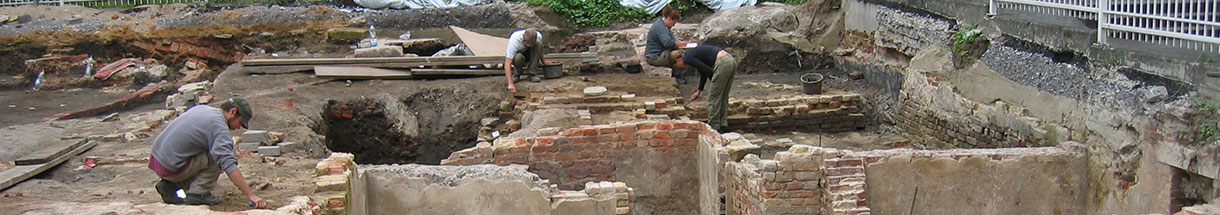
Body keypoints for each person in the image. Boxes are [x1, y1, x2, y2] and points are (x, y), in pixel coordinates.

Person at [148, 97, 267, 208]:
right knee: (220, 155)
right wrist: (251, 195)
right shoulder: (219, 126)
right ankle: (198, 194)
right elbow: (227, 163)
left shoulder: (203, 109)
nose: (238, 128)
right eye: (240, 123)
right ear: (233, 111)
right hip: (172, 167)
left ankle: (170, 186)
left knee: (213, 148)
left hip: (157, 161)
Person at [672, 45, 737, 131]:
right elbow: (703, 72)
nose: (678, 66)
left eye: (676, 64)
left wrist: (714, 81)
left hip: (722, 63)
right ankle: (723, 125)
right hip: (730, 60)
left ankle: (714, 127)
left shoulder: (687, 58)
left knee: (714, 98)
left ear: (678, 59)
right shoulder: (691, 54)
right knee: (723, 96)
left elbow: (707, 70)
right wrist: (699, 91)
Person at [644, 6, 691, 84]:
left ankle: (677, 73)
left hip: (660, 52)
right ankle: (676, 75)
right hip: (655, 57)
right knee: (678, 55)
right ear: (669, 19)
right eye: (674, 23)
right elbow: (667, 43)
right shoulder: (660, 27)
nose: (673, 25)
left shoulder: (662, 25)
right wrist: (679, 44)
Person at [504, 28, 548, 93]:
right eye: (526, 44)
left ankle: (532, 73)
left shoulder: (538, 36)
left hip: (530, 54)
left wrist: (544, 61)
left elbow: (540, 50)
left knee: (539, 44)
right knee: (518, 57)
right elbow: (507, 64)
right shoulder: (514, 41)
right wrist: (510, 84)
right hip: (519, 55)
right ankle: (517, 74)